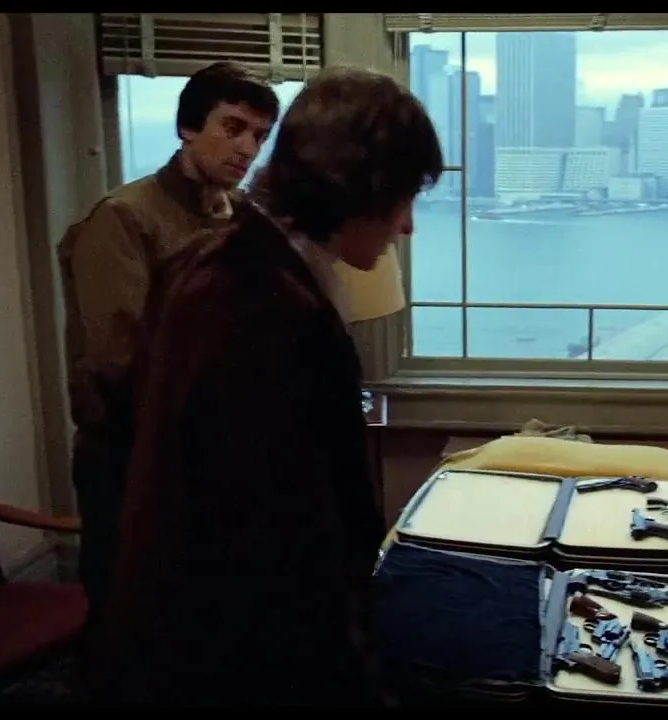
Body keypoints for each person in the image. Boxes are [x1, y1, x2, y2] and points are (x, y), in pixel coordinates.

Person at [95, 66, 444, 704]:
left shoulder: (224, 261)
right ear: (360, 186)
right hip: (231, 654)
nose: (407, 227)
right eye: (405, 198)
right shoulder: (261, 308)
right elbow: (278, 543)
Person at [56, 61, 280, 632]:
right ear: (187, 126)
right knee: (131, 620)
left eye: (259, 136)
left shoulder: (244, 218)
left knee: (210, 621)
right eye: (232, 127)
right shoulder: (125, 217)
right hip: (131, 456)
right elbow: (120, 359)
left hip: (213, 453)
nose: (247, 148)